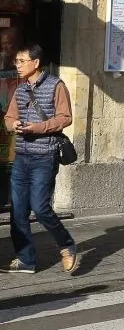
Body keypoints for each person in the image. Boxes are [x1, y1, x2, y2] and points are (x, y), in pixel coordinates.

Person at [1, 44, 78, 274]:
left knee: (41, 207)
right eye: (16, 61)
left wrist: (38, 127)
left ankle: (67, 245)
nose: (18, 65)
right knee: (17, 211)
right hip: (22, 156)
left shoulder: (56, 85)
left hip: (45, 156)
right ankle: (26, 259)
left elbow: (65, 117)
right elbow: (9, 117)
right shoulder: (20, 89)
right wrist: (12, 124)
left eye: (22, 61)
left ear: (35, 63)